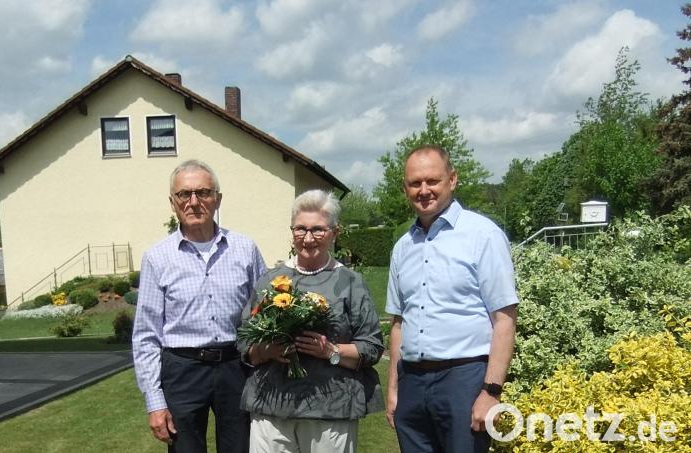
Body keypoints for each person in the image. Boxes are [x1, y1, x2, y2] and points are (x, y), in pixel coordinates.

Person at [385, 146, 518, 453]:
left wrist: (491, 391)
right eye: (415, 183)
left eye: (432, 181)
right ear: (405, 188)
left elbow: (504, 318)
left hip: (464, 380)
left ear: (452, 179)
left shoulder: (483, 235)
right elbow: (398, 322)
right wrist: (394, 390)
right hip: (412, 383)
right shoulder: (403, 247)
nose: (424, 190)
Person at [133, 159, 267, 453]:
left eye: (203, 193)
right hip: (182, 369)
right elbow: (146, 335)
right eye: (184, 194)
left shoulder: (245, 249)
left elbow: (265, 313)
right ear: (173, 202)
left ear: (217, 199)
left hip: (237, 366)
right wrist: (155, 403)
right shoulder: (157, 258)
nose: (194, 202)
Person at [237, 189, 384, 453]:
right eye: (300, 229)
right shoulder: (270, 280)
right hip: (272, 407)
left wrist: (331, 351)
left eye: (318, 230)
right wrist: (267, 350)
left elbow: (372, 347)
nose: (308, 238)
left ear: (334, 233)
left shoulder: (350, 283)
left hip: (331, 410)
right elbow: (244, 340)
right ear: (291, 231)